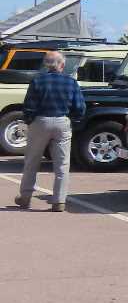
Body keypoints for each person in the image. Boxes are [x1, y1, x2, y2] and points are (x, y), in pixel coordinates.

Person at [14, 50, 84, 212]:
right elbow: (79, 107)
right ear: (62, 64)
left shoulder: (37, 81)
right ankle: (59, 200)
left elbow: (29, 106)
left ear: (46, 64)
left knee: (32, 161)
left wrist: (30, 120)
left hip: (40, 121)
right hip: (62, 121)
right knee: (62, 164)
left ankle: (25, 197)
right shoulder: (71, 82)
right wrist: (72, 119)